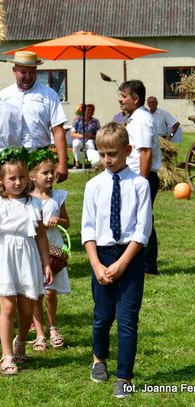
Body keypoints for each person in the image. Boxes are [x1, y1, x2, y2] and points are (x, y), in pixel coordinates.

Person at [81, 122, 152, 398]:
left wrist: (122, 263)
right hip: (101, 255)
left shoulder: (140, 185)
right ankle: (99, 359)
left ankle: (125, 376)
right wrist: (96, 264)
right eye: (102, 154)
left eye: (113, 154)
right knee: (102, 317)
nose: (107, 160)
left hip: (130, 257)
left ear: (128, 150)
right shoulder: (93, 186)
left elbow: (142, 229)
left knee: (127, 320)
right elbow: (87, 228)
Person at [0, 147, 52, 375]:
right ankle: (6, 355)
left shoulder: (34, 204)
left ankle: (21, 341)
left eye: (22, 177)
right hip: (3, 257)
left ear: (28, 178)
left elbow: (42, 236)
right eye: (12, 178)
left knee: (27, 307)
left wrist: (46, 263)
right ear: (1, 180)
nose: (17, 182)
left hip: (26, 256)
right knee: (7, 306)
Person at [0, 51, 69, 183]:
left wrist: (62, 163)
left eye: (32, 72)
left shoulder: (49, 94)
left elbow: (58, 130)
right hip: (12, 159)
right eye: (23, 72)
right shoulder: (3, 96)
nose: (28, 76)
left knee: (41, 199)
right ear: (14, 71)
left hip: (40, 158)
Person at [28, 150, 71, 351]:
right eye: (45, 173)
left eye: (51, 172)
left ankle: (53, 326)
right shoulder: (28, 200)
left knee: (50, 292)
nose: (50, 176)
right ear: (32, 176)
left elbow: (67, 223)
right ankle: (39, 332)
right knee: (36, 292)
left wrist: (57, 220)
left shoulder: (58, 197)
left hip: (53, 248)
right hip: (34, 249)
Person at [118, 80, 160, 276]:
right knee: (138, 218)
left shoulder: (142, 120)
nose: (120, 100)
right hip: (138, 176)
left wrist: (141, 181)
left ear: (135, 99)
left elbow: (145, 153)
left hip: (144, 177)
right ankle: (142, 262)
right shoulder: (136, 118)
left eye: (124, 96)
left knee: (143, 219)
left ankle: (148, 266)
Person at [71, 103, 101, 168]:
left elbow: (99, 134)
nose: (90, 111)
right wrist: (82, 136)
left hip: (90, 139)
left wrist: (92, 136)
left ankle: (94, 163)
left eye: (92, 110)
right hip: (79, 139)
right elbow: (72, 134)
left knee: (91, 145)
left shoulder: (95, 121)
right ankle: (77, 162)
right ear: (84, 111)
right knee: (75, 143)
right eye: (88, 110)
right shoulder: (77, 120)